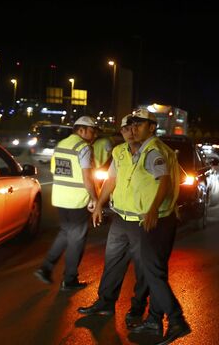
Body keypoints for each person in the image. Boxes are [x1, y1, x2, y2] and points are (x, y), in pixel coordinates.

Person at [123, 108, 191, 344]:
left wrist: (153, 208)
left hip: (156, 219)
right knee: (157, 272)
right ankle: (153, 319)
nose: (134, 128)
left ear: (151, 127)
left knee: (153, 274)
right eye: (132, 124)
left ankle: (176, 320)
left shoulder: (152, 151)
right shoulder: (158, 149)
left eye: (139, 124)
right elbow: (178, 179)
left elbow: (164, 180)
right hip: (164, 217)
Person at [77, 114, 150, 328]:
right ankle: (105, 303)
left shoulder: (154, 152)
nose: (129, 132)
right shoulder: (119, 152)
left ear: (143, 129)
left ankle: (137, 310)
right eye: (125, 129)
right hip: (120, 218)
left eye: (134, 128)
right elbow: (110, 180)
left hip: (141, 221)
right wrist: (99, 205)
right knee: (113, 263)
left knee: (142, 268)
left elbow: (163, 184)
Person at [34, 116, 99, 291]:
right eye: (92, 130)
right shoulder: (83, 147)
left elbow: (55, 170)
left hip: (60, 198)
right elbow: (87, 176)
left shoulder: (61, 145)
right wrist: (95, 198)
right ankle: (69, 280)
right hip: (76, 200)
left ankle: (45, 268)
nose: (94, 135)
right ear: (82, 130)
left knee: (65, 233)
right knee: (76, 240)